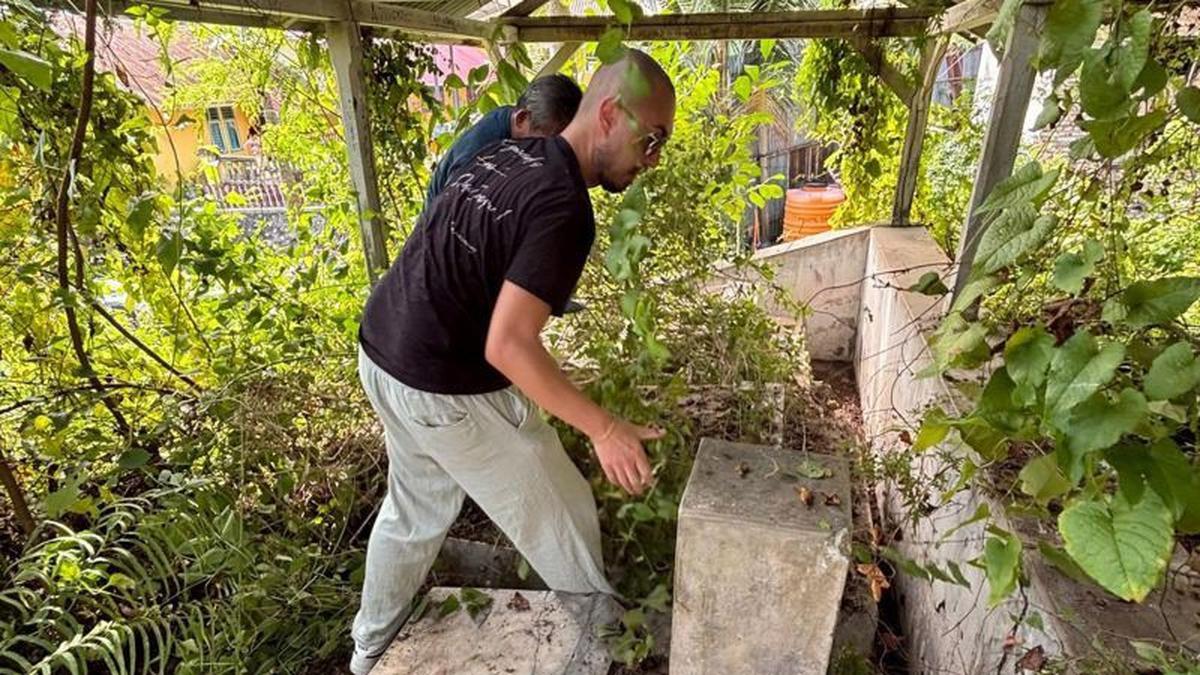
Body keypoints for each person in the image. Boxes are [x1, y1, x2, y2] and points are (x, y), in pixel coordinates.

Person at [350, 49, 675, 674]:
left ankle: (368, 652)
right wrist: (604, 428)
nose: (652, 159)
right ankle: (611, 649)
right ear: (609, 114)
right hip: (436, 379)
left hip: (384, 347)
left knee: (414, 513)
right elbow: (509, 344)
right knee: (561, 511)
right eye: (651, 139)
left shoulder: (508, 152)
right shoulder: (564, 207)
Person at [423, 73, 582, 211]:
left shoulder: (514, 129)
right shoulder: (480, 151)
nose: (553, 154)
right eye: (548, 144)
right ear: (521, 119)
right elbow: (450, 212)